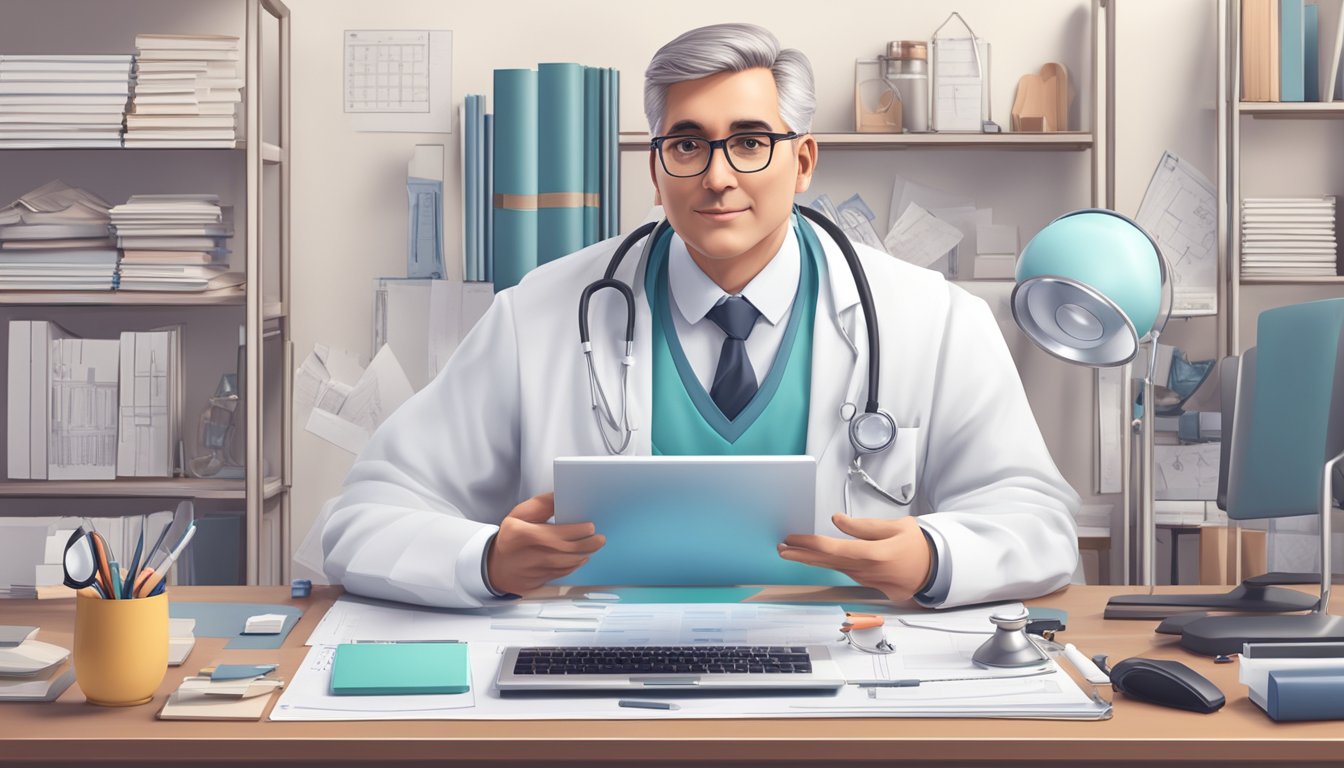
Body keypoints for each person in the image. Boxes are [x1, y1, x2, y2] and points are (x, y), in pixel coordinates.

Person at [321, 23, 1079, 610]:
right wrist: (485, 560)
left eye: (750, 142)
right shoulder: (538, 318)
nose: (718, 178)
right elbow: (364, 518)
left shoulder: (933, 320)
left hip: (847, 687)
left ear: (804, 159)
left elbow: (1040, 522)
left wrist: (936, 558)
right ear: (655, 168)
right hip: (599, 681)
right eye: (687, 144)